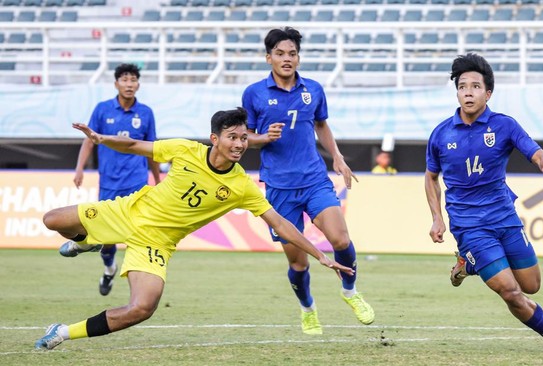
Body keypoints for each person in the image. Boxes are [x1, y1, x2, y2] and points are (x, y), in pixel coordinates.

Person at [34, 108, 353, 351]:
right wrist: (101, 139)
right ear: (215, 138)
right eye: (233, 137)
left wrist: (320, 255)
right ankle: (87, 242)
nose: (240, 144)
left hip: (156, 243)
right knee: (54, 221)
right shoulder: (186, 150)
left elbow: (281, 223)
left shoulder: (242, 185)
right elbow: (134, 143)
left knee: (142, 308)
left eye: (244, 138)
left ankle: (61, 331)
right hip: (127, 212)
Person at [424, 53, 543, 354]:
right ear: (457, 92)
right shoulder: (441, 134)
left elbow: (533, 150)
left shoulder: (504, 126)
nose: (468, 92)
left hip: (505, 218)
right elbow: (430, 178)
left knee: (531, 285)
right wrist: (437, 218)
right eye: (462, 86)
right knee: (510, 291)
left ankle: (468, 265)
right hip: (469, 225)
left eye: (475, 86)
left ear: (488, 93)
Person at [241, 27, 374, 335]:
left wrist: (338, 158)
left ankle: (350, 291)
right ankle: (307, 309)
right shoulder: (254, 94)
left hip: (314, 180)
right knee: (299, 263)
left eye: (292, 53)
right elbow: (243, 137)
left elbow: (321, 125)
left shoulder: (312, 89)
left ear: (298, 57)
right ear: (268, 57)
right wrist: (262, 137)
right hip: (278, 188)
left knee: (341, 239)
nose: (287, 59)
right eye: (280, 53)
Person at [69, 63, 161, 297]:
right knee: (107, 239)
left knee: (139, 232)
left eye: (133, 80)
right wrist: (79, 168)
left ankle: (140, 287)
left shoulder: (146, 113)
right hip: (109, 182)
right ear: (116, 84)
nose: (129, 84)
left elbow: (152, 149)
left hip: (137, 182)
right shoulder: (102, 109)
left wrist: (158, 178)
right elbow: (89, 140)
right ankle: (109, 269)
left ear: (138, 85)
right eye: (125, 80)